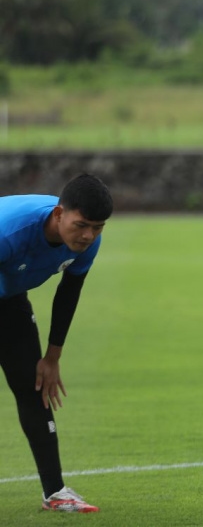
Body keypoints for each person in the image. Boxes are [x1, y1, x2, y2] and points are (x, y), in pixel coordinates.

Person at [0, 174, 113, 513]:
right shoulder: (10, 231)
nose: (88, 235)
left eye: (97, 227)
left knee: (35, 389)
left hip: (8, 297)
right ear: (59, 213)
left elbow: (69, 292)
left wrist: (52, 357)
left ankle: (56, 493)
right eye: (81, 225)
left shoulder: (87, 242)